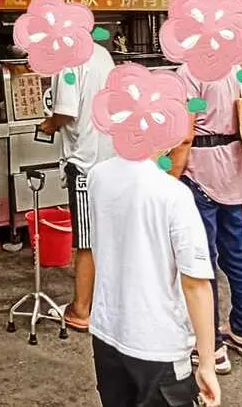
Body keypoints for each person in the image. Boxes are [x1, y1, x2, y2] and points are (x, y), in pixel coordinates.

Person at [88, 152, 220, 407]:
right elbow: (196, 285)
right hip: (160, 344)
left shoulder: (98, 176)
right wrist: (207, 364)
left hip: (106, 332)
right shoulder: (173, 194)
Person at [173, 63, 242, 375]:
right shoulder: (237, 70)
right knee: (237, 254)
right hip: (234, 173)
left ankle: (210, 346)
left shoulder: (191, 73)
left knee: (202, 260)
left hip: (201, 171)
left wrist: (172, 176)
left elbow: (185, 134)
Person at [39, 42, 115, 332]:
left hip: (85, 163)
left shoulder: (67, 61)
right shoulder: (102, 54)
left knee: (86, 240)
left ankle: (81, 310)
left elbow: (66, 111)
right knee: (104, 236)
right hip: (111, 158)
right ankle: (104, 302)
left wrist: (50, 124)